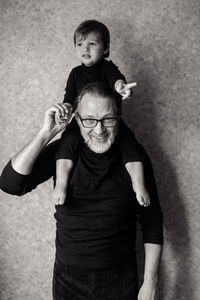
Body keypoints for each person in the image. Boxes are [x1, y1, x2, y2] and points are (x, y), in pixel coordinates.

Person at [0, 82, 163, 300]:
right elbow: (10, 184)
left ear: (119, 118)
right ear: (77, 119)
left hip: (120, 279)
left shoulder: (134, 159)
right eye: (89, 120)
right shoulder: (63, 153)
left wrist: (150, 283)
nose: (99, 129)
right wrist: (46, 134)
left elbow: (151, 220)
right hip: (68, 279)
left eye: (108, 119)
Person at [53, 19, 150, 207]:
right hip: (83, 122)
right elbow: (69, 97)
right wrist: (65, 109)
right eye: (80, 44)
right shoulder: (75, 73)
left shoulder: (107, 67)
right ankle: (61, 184)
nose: (85, 49)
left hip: (110, 122)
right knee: (65, 145)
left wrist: (121, 88)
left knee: (131, 146)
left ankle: (138, 184)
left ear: (105, 49)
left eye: (92, 44)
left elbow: (117, 80)